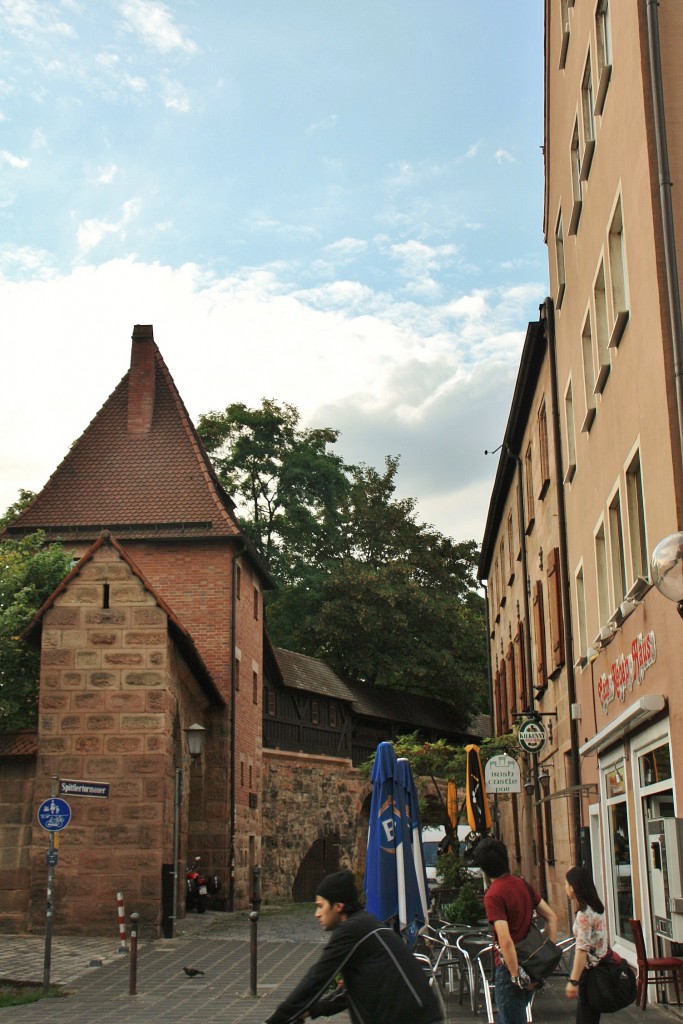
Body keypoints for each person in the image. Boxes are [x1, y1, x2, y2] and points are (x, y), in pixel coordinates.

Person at [264, 869, 443, 1024]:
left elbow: (317, 977)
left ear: (338, 906)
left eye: (320, 906)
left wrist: (278, 1018)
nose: (316, 914)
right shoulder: (363, 926)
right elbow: (350, 991)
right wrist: (312, 1009)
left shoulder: (351, 930)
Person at [472, 837, 558, 1024]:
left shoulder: (493, 895)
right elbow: (552, 917)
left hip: (509, 970)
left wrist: (516, 977)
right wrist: (545, 958)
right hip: (531, 966)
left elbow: (505, 940)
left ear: (483, 868)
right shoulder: (521, 884)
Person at [564, 866, 608, 1024]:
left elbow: (582, 950)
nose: (565, 887)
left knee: (585, 1017)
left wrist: (573, 981)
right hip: (600, 968)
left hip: (589, 973)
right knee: (590, 1016)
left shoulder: (584, 915)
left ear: (573, 887)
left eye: (566, 884)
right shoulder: (595, 909)